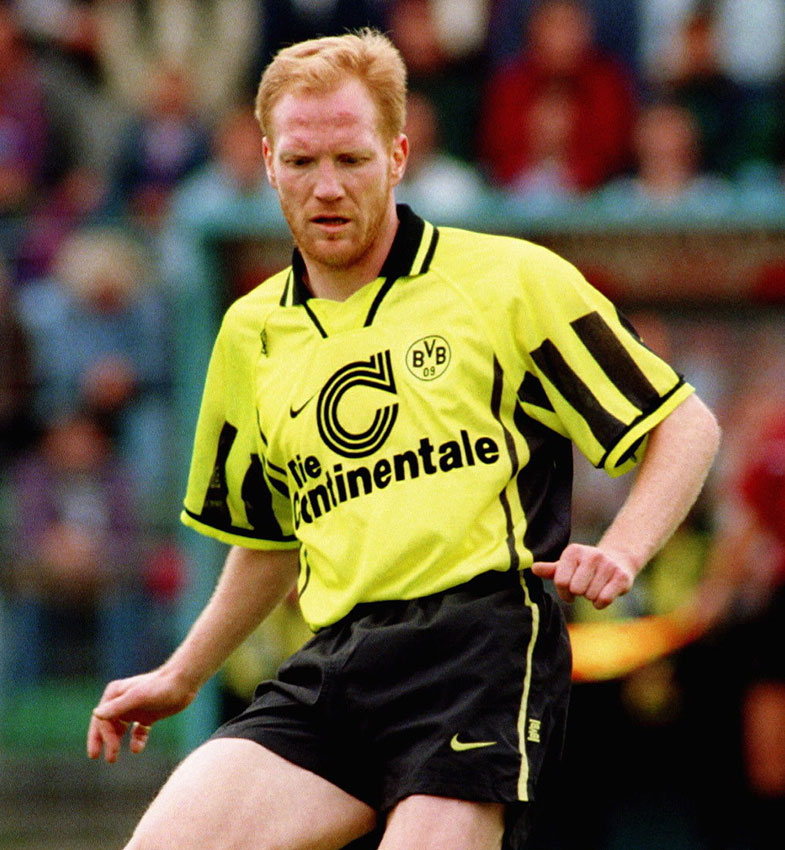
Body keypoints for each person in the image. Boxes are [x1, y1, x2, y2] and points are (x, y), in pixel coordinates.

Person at [87, 29, 720, 850]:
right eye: (301, 161)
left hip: (479, 653)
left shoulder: (506, 280)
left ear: (396, 156)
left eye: (351, 160)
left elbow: (684, 423)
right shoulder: (249, 331)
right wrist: (180, 675)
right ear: (268, 163)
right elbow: (269, 540)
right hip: (335, 662)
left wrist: (624, 549)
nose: (326, 187)